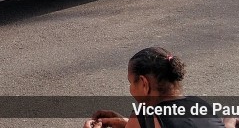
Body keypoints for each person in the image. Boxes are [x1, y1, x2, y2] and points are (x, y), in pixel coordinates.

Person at [83, 47, 224, 128]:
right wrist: (125, 123)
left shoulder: (145, 116)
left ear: (144, 83)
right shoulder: (201, 104)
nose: (130, 89)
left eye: (131, 83)